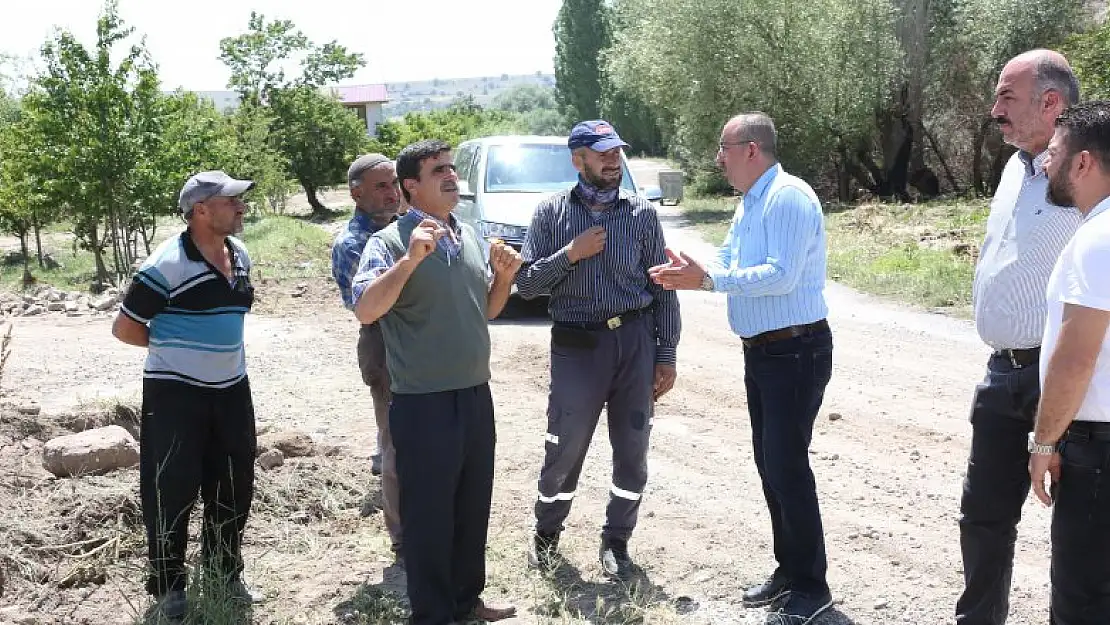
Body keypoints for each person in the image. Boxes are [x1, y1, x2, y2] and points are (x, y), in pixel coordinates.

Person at [648, 112, 834, 625]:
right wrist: (695, 270)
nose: (718, 158)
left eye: (724, 148)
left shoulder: (788, 197)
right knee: (770, 463)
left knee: (787, 466)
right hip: (764, 352)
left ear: (752, 149)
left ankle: (812, 587)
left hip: (796, 351)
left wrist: (708, 282)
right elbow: (730, 258)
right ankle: (789, 571)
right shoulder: (752, 201)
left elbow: (781, 275)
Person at [351, 139, 519, 625]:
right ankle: (433, 614)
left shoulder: (467, 235)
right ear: (410, 186)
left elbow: (481, 312)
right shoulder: (388, 242)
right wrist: (410, 260)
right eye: (438, 170)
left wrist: (503, 280)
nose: (451, 176)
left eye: (451, 168)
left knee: (471, 507)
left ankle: (466, 601)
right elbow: (366, 308)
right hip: (421, 403)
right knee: (429, 518)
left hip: (473, 395)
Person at [515, 119, 681, 579]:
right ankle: (546, 536)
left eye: (617, 151)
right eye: (602, 152)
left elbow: (663, 287)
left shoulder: (641, 214)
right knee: (564, 448)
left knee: (632, 449)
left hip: (634, 342)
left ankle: (617, 542)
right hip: (577, 344)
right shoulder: (551, 213)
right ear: (578, 159)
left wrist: (666, 353)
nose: (613, 160)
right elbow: (526, 284)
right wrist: (572, 253)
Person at [955, 49, 1082, 625]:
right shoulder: (1014, 168)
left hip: (1063, 377)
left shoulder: (1089, 175)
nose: (994, 110)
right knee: (982, 517)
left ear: (1050, 102)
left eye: (1007, 96)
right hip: (1001, 372)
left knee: (1077, 531)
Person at [112, 171, 262, 622]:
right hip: (175, 393)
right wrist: (177, 351)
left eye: (240, 200)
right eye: (230, 201)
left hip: (233, 388)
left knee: (234, 483)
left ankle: (222, 571)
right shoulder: (166, 265)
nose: (241, 207)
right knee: (170, 488)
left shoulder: (240, 255)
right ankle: (168, 586)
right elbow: (126, 328)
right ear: (200, 210)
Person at [1031, 99, 1110, 625]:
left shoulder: (1096, 241)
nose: (1043, 162)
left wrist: (1044, 443)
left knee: (1084, 603)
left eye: (1054, 152)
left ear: (1083, 163)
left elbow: (1076, 359)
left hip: (1098, 453)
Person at [330, 153, 403, 559]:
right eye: (381, 186)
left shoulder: (399, 228)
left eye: (394, 183)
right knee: (395, 441)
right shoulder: (354, 242)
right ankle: (402, 539)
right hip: (383, 340)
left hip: (413, 340)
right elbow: (379, 304)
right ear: (356, 195)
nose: (392, 193)